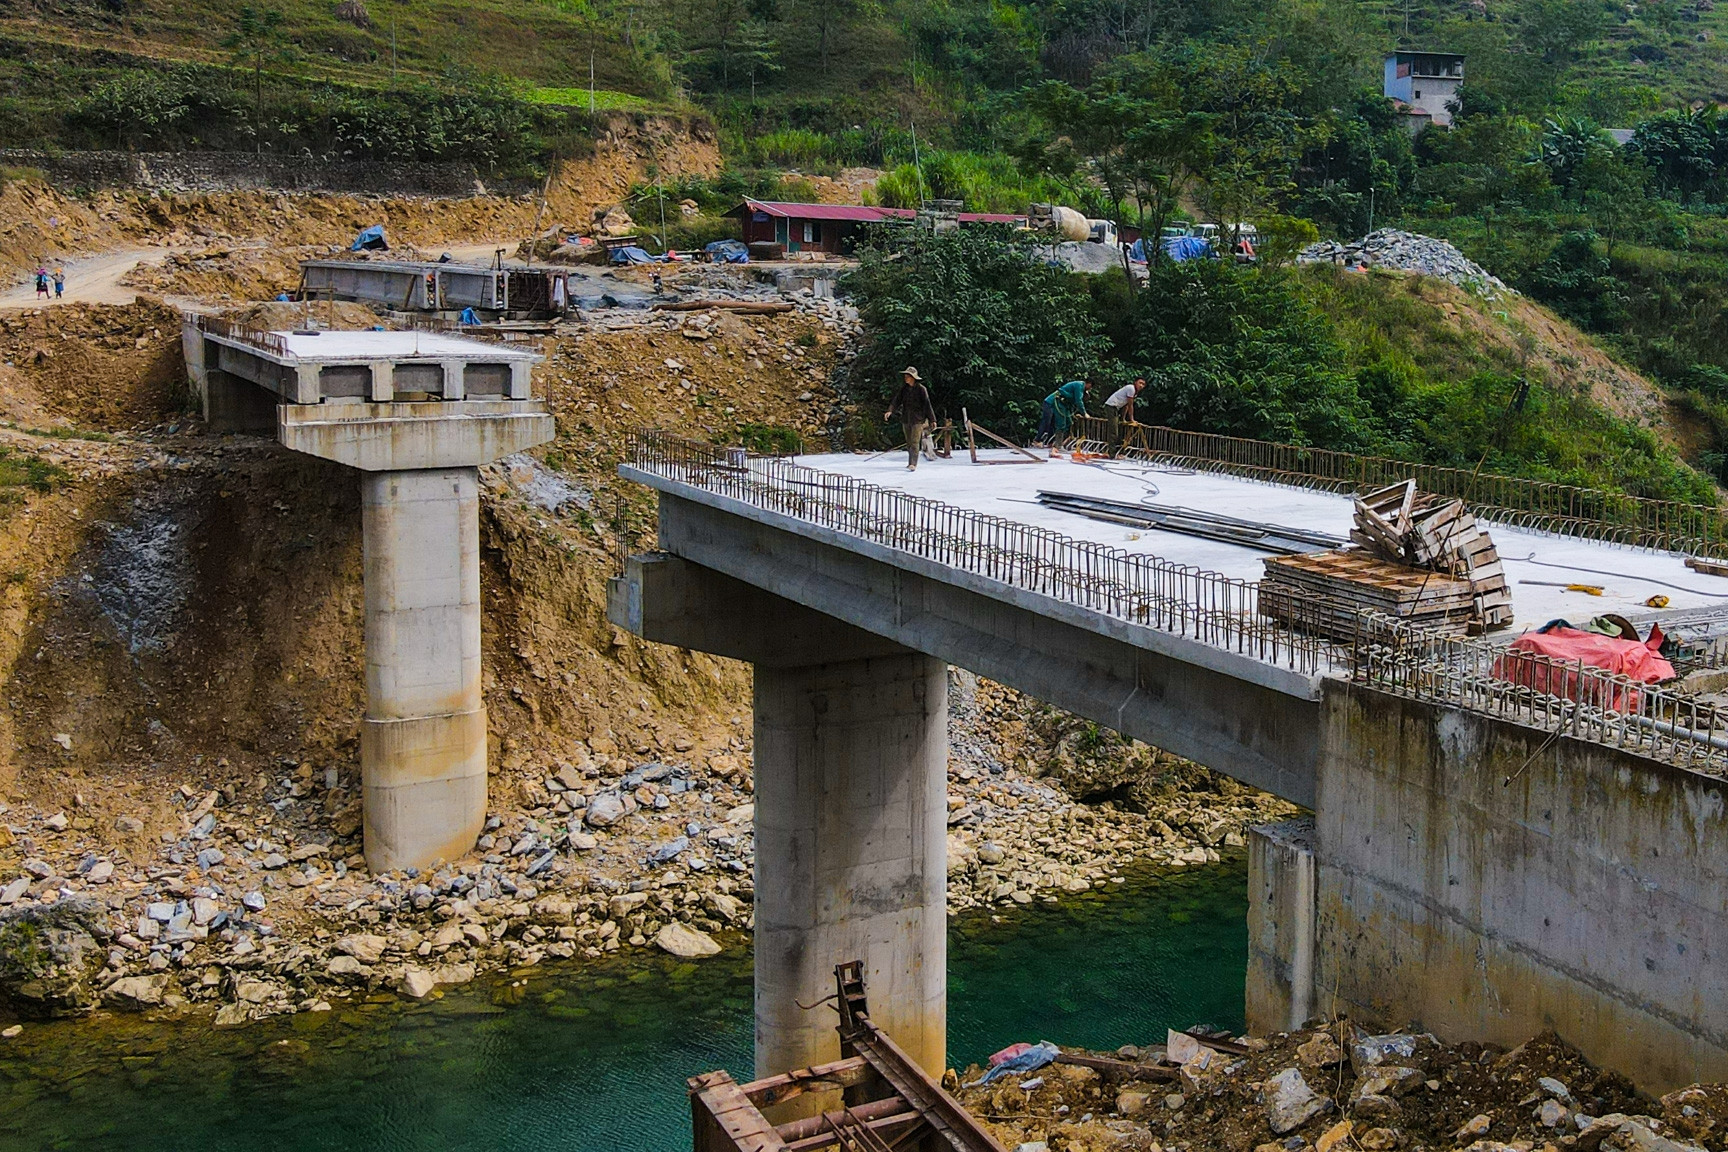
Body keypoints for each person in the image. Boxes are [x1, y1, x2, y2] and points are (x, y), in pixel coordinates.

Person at [885, 365, 937, 471]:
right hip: (906, 419)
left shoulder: (921, 389)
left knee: (914, 442)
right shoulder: (904, 389)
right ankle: (910, 462)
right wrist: (890, 410)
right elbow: (896, 400)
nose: (905, 378)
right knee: (909, 442)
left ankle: (913, 463)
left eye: (907, 376)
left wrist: (932, 420)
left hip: (918, 420)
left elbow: (927, 405)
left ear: (913, 377)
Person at [1036, 378, 1089, 454]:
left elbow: (1070, 407)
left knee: (1066, 423)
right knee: (1053, 423)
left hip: (1061, 405)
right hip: (1054, 403)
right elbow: (1078, 401)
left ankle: (1054, 443)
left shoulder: (1071, 396)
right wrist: (1084, 413)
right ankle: (1051, 443)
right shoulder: (1078, 388)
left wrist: (1072, 416)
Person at [1102, 378, 1144, 445]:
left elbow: (1126, 405)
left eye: (1143, 384)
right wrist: (1132, 419)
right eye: (1140, 383)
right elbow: (1130, 405)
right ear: (1135, 382)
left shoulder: (1135, 392)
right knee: (1113, 432)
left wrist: (1123, 418)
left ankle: (1117, 449)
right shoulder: (1131, 388)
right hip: (1111, 406)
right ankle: (1112, 453)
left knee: (1118, 428)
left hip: (1115, 408)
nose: (1141, 385)